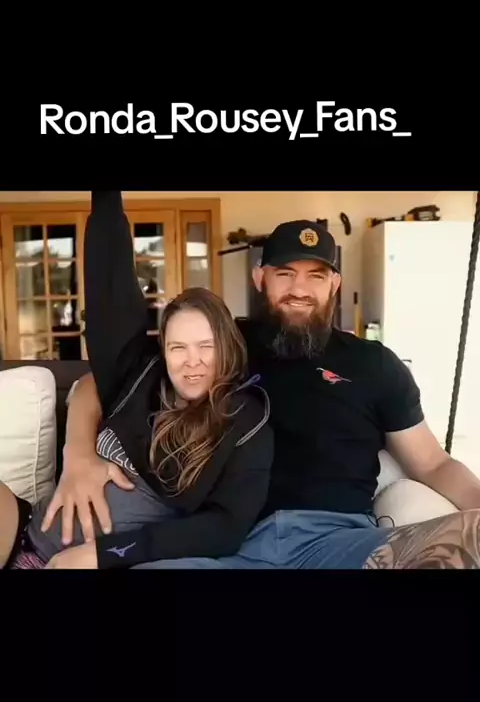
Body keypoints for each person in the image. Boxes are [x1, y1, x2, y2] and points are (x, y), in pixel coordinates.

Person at [30, 217, 480, 570]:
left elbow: (434, 463)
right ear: (260, 277)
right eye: (285, 273)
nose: (299, 289)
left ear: (335, 283)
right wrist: (78, 456)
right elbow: (98, 382)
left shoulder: (375, 364)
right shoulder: (219, 345)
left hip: (339, 543)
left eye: (316, 275)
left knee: (466, 538)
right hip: (228, 544)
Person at [0, 191, 273, 570]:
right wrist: (78, 454)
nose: (192, 362)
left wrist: (100, 554)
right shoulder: (141, 377)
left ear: (227, 347)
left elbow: (224, 529)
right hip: (26, 526)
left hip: (82, 561)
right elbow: (109, 287)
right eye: (178, 347)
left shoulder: (244, 421)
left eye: (206, 346)